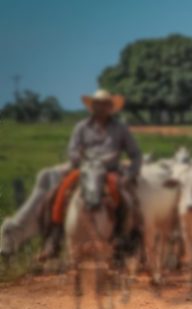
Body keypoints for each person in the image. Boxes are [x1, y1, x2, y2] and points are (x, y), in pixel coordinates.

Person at [38, 89, 142, 261]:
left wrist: (130, 174)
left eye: (104, 104)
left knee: (123, 195)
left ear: (110, 107)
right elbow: (72, 150)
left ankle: (121, 237)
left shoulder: (120, 128)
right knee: (57, 192)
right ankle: (53, 239)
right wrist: (80, 159)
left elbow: (135, 154)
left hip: (110, 171)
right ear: (92, 106)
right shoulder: (81, 127)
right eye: (97, 104)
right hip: (84, 169)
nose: (100, 108)